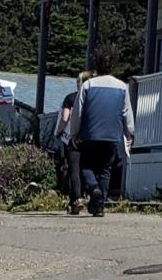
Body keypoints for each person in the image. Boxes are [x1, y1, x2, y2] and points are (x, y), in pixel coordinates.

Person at [68, 58, 135, 217]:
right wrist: (129, 133)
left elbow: (77, 112)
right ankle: (99, 206)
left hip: (90, 134)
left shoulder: (88, 85)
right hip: (112, 135)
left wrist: (74, 132)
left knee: (86, 165)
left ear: (96, 69)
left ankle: (93, 188)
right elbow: (127, 112)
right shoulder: (122, 86)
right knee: (105, 169)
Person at [54, 72, 92, 215]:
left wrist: (58, 132)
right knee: (88, 168)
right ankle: (92, 195)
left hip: (72, 138)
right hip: (90, 138)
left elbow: (65, 118)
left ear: (79, 83)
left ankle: (77, 199)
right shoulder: (93, 99)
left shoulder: (71, 98)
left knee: (73, 169)